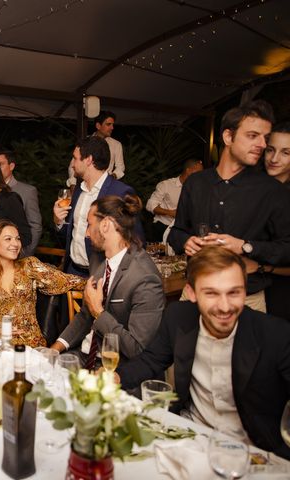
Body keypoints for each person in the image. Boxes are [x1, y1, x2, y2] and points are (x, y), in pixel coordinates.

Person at [117, 247, 290, 459]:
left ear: (245, 291)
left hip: (252, 452)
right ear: (191, 293)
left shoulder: (276, 335)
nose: (225, 307)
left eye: (234, 292)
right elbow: (151, 360)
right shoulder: (178, 317)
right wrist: (115, 377)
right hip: (189, 437)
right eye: (211, 293)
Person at [168, 100, 290, 312]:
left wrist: (246, 246)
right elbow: (176, 231)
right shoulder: (196, 183)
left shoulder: (272, 190)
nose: (262, 144)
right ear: (228, 137)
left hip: (246, 300)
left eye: (265, 138)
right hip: (194, 294)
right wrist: (186, 241)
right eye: (253, 135)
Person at [50, 195, 164, 371]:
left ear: (105, 225)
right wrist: (54, 350)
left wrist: (99, 311)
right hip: (84, 356)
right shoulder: (99, 259)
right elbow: (86, 315)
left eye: (89, 224)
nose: (87, 233)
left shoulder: (145, 278)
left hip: (115, 368)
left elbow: (136, 349)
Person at [0, 220, 85, 347]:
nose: (15, 243)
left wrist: (99, 284)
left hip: (30, 343)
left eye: (17, 238)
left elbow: (65, 281)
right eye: (8, 239)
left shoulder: (29, 266)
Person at [53, 136, 141, 278]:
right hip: (72, 272)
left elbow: (135, 241)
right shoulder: (78, 191)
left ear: (89, 160)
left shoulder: (120, 192)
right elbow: (71, 234)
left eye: (75, 158)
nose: (72, 164)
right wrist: (59, 221)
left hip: (101, 275)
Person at [262, 121, 290, 319]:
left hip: (282, 291)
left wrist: (264, 267)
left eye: (285, 152)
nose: (274, 158)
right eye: (270, 150)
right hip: (250, 287)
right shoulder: (252, 190)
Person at [0, 150, 43, 257]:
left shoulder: (27, 191)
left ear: (11, 166)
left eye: (0, 164)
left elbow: (35, 226)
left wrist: (25, 255)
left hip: (18, 255)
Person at [145, 158, 203, 243]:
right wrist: (170, 213)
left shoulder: (199, 188)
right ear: (188, 170)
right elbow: (150, 205)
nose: (201, 176)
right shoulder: (166, 185)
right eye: (199, 172)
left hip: (184, 230)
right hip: (162, 227)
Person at [93, 110, 124, 179]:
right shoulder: (86, 142)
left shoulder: (116, 144)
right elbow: (73, 165)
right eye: (108, 124)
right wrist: (72, 183)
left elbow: (120, 167)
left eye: (112, 125)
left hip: (106, 185)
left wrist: (111, 177)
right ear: (98, 126)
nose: (112, 128)